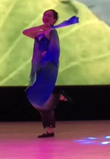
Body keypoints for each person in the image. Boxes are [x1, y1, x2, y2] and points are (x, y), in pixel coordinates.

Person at [23, 9, 78, 138]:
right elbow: (25, 32)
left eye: (49, 16)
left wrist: (46, 59)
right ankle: (49, 130)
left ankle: (57, 95)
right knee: (44, 102)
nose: (46, 17)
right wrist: (41, 27)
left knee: (34, 95)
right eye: (44, 15)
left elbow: (55, 50)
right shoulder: (39, 33)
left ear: (54, 20)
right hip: (40, 68)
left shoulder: (52, 32)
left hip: (49, 67)